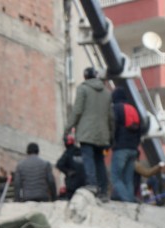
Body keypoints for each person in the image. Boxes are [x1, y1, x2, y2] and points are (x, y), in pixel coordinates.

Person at [66, 66, 113, 197]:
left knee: (88, 159)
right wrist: (111, 134)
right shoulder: (107, 92)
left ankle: (92, 184)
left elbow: (77, 111)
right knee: (99, 160)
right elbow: (111, 117)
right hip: (102, 134)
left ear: (85, 77)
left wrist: (68, 127)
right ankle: (103, 189)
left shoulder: (82, 89)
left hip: (86, 133)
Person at [111, 88, 143, 202]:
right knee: (128, 179)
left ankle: (128, 201)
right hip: (133, 149)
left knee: (115, 177)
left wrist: (112, 142)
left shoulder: (116, 108)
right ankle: (131, 203)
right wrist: (135, 144)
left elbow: (113, 126)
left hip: (121, 148)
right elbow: (141, 129)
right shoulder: (133, 109)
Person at [56, 134, 86, 199]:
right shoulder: (81, 152)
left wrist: (67, 171)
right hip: (84, 184)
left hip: (72, 185)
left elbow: (59, 164)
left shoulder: (68, 153)